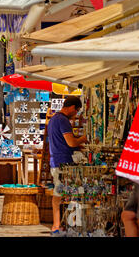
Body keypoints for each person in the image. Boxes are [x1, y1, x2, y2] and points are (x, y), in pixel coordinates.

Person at [47, 96, 88, 235]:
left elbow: (64, 143)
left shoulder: (53, 119)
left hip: (57, 161)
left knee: (60, 194)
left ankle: (59, 224)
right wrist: (84, 138)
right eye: (76, 111)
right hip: (63, 163)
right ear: (71, 107)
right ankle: (57, 225)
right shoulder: (62, 120)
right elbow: (71, 142)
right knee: (61, 195)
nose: (75, 115)